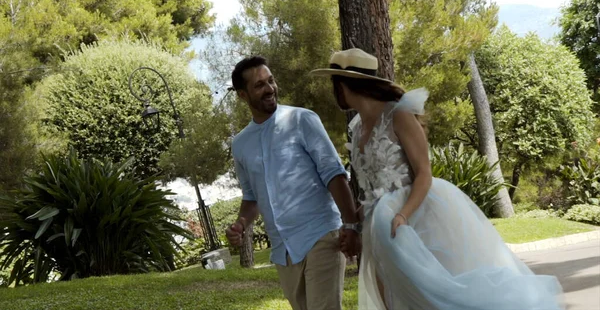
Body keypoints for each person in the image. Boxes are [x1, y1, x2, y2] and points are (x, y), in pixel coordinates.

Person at [310, 48, 565, 310]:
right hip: (377, 227)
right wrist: (354, 226)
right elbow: (374, 189)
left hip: (415, 219)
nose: (334, 91)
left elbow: (423, 173)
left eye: (334, 83)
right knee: (393, 301)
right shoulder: (356, 127)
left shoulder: (398, 114)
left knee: (435, 296)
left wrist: (402, 216)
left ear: (344, 85)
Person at [225, 55, 361, 310]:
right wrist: (242, 223)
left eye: (271, 81)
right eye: (259, 85)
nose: (269, 89)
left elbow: (334, 173)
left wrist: (351, 224)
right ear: (243, 95)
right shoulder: (240, 144)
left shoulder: (302, 120)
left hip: (321, 235)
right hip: (283, 251)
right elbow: (251, 197)